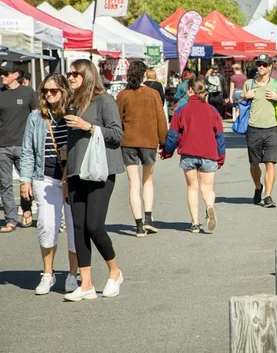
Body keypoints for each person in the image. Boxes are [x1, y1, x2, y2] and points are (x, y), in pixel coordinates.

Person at [63, 59, 124, 301]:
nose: (71, 77)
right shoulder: (72, 102)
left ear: (88, 75)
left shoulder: (104, 100)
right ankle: (86, 283)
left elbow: (117, 134)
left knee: (94, 225)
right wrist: (66, 174)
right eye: (69, 73)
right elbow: (69, 143)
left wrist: (88, 127)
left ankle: (114, 271)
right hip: (77, 170)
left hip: (100, 170)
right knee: (78, 226)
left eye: (75, 74)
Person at [19, 73, 79, 294]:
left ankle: (73, 274)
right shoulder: (36, 117)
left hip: (72, 179)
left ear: (64, 91)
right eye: (45, 91)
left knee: (74, 228)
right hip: (44, 177)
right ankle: (48, 273)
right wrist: (24, 180)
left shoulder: (74, 113)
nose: (49, 95)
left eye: (54, 91)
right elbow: (27, 150)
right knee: (46, 225)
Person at [162, 79, 225, 233]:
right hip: (209, 153)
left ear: (189, 91)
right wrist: (221, 156)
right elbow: (219, 136)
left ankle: (195, 223)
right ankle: (209, 206)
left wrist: (167, 151)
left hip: (188, 153)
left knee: (192, 187)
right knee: (208, 188)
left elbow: (174, 135)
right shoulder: (212, 111)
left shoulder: (181, 111)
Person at [116, 61, 168, 237]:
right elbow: (161, 119)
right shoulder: (153, 94)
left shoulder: (123, 95)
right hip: (148, 141)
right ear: (144, 74)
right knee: (148, 180)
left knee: (133, 183)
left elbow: (117, 120)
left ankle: (138, 226)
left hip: (128, 141)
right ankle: (148, 219)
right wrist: (164, 142)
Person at [243, 54, 277, 208]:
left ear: (270, 67)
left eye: (264, 65)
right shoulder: (249, 84)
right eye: (259, 64)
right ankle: (258, 187)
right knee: (254, 164)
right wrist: (245, 97)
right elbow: (240, 104)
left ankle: (268, 195)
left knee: (270, 163)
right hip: (253, 128)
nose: (261, 67)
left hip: (272, 128)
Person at [0, 66, 38, 232]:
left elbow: (37, 117)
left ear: (15, 75)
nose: (2, 77)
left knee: (27, 181)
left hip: (24, 146)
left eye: (5, 74)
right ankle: (10, 220)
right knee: (5, 184)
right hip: (2, 146)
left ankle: (27, 209)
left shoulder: (28, 93)